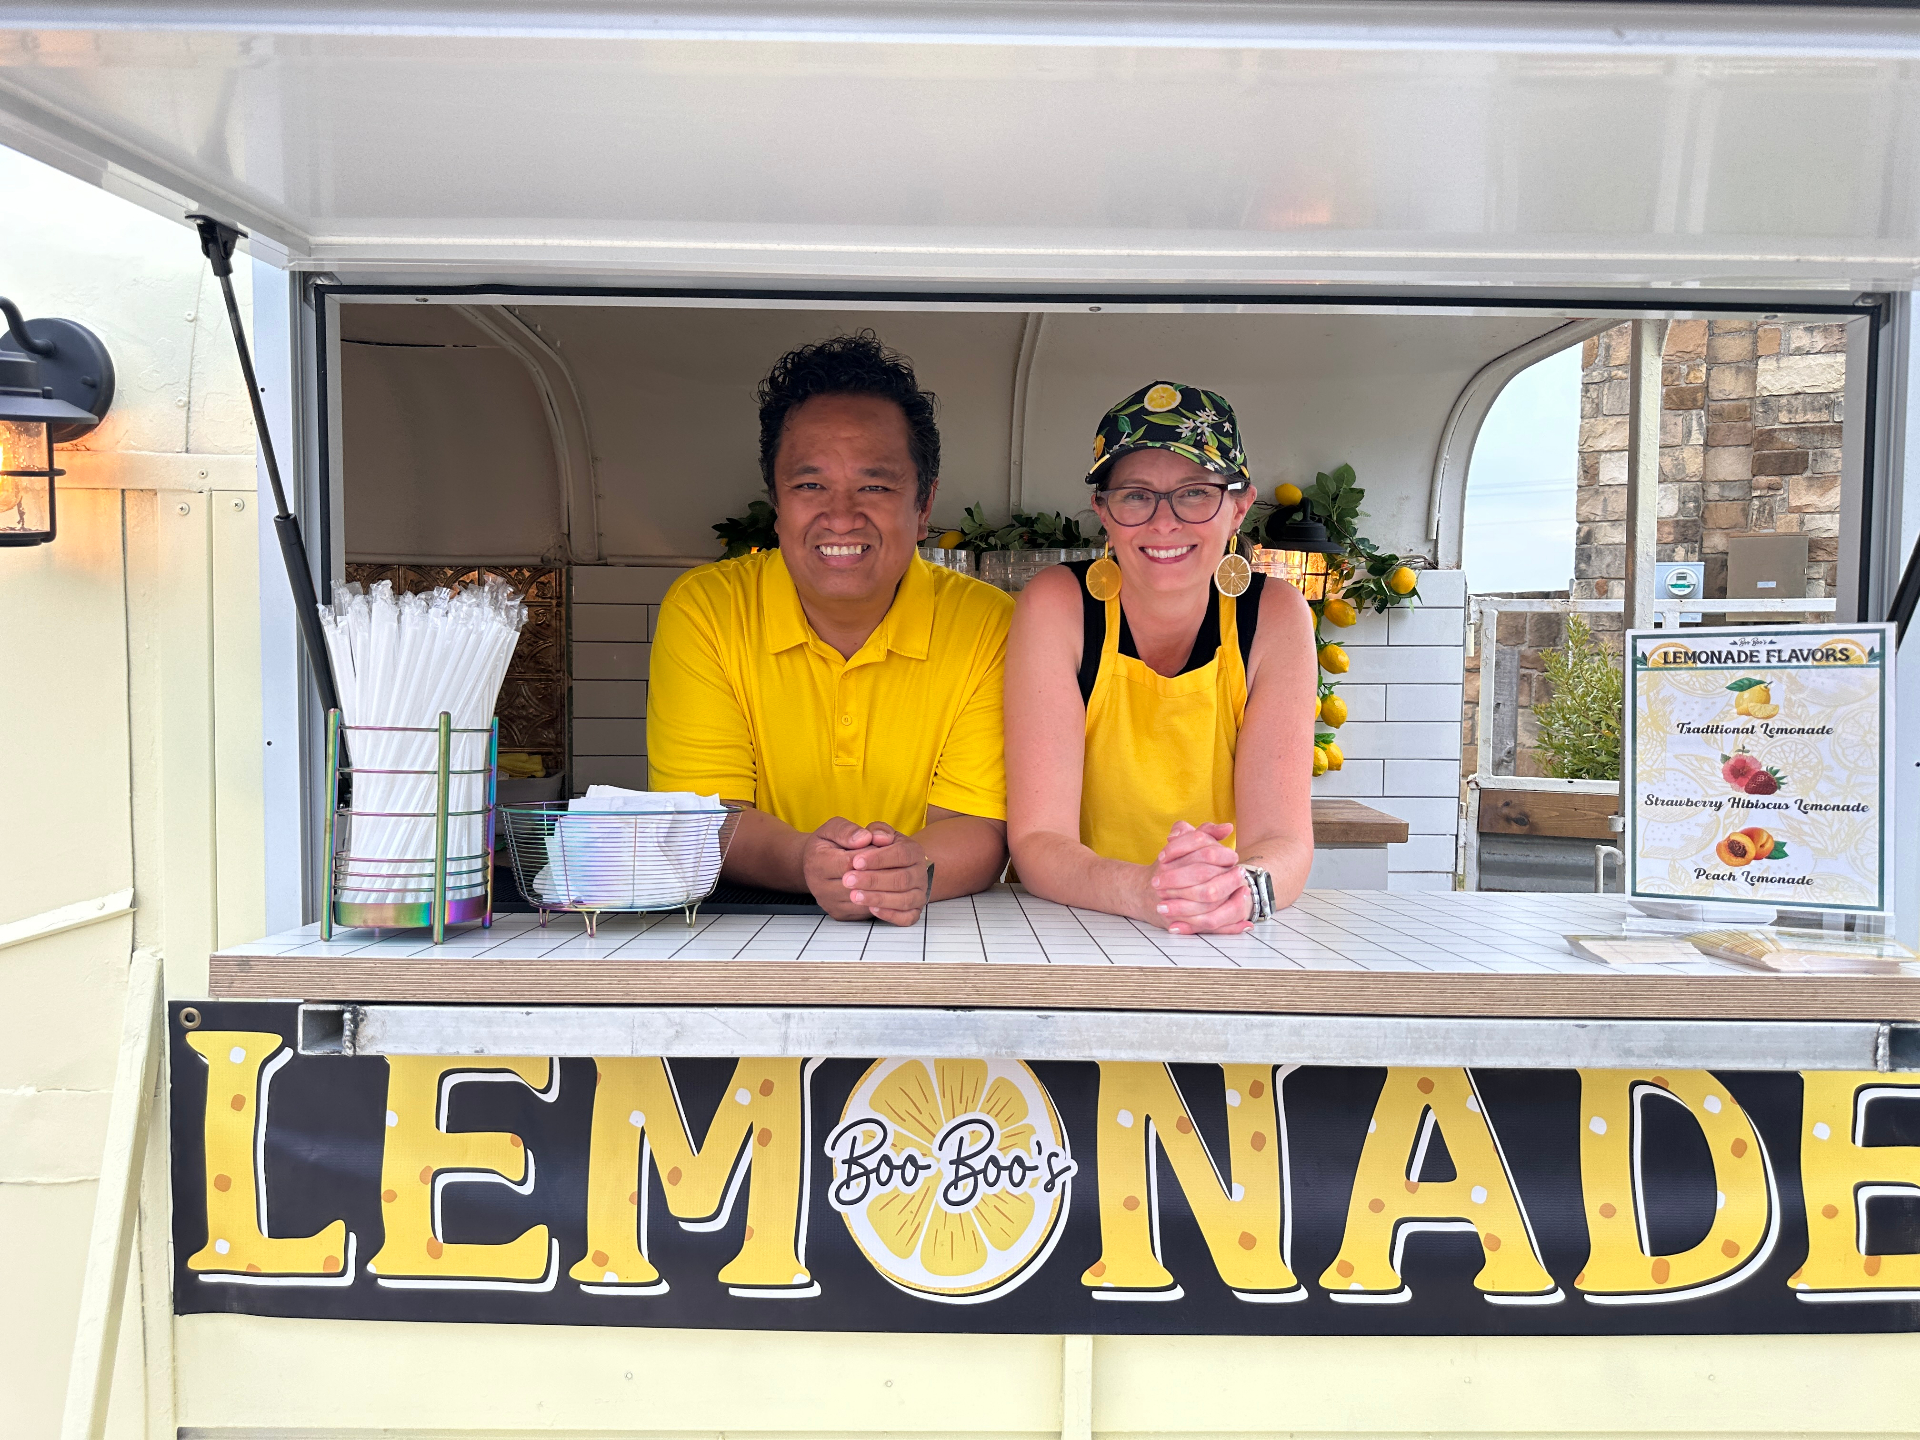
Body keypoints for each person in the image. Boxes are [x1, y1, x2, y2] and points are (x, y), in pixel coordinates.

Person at [648, 332, 1012, 925]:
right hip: (747, 937)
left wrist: (906, 868)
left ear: (923, 506)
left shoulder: (989, 623)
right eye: (810, 485)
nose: (841, 516)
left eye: (875, 485)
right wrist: (805, 862)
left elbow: (980, 825)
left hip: (934, 934)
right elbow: (703, 817)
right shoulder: (706, 610)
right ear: (775, 500)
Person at [1005, 381, 1317, 934]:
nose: (1164, 521)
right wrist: (1144, 891)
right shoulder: (1059, 606)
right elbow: (1037, 841)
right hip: (1069, 924)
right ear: (1102, 508)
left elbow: (1284, 842)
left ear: (1239, 506)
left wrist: (1239, 890)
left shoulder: (1275, 617)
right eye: (1135, 495)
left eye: (1196, 492)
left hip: (1219, 930)